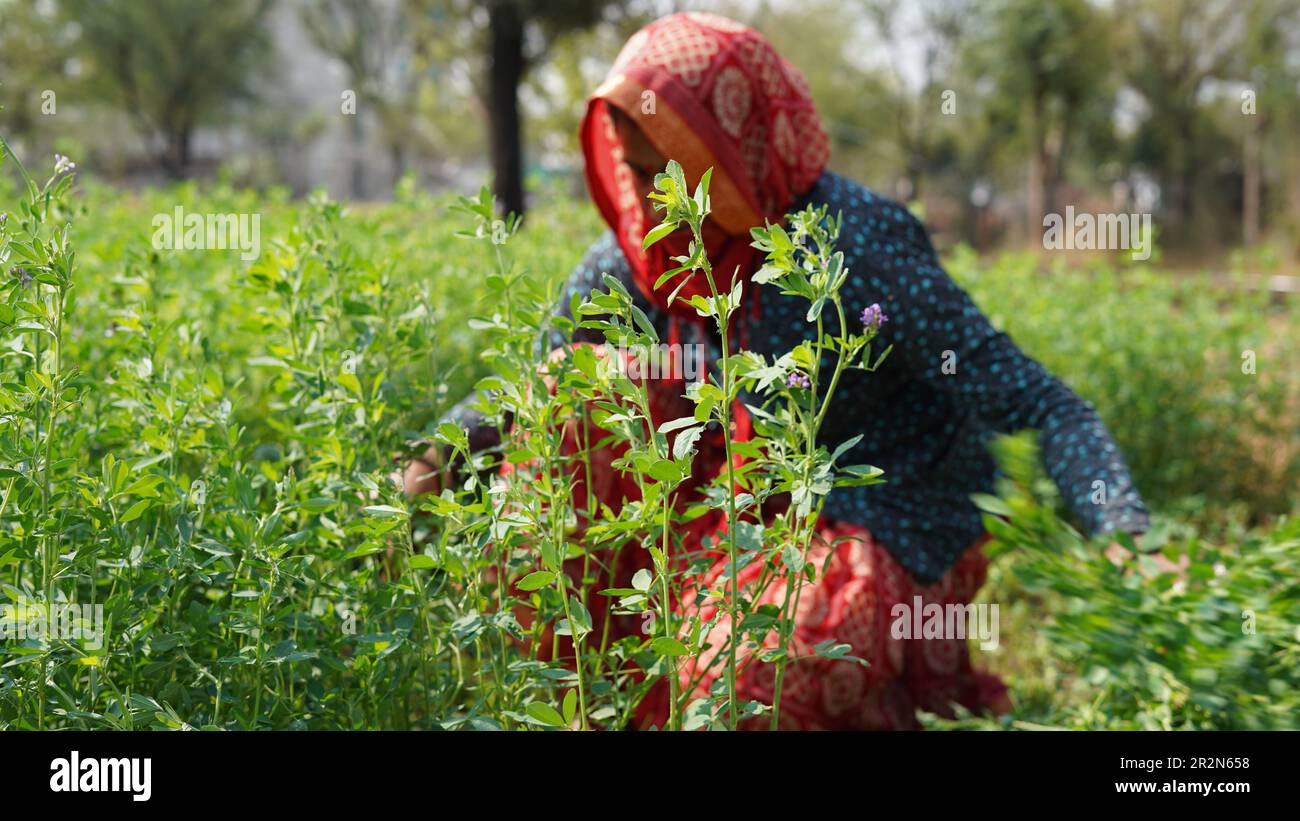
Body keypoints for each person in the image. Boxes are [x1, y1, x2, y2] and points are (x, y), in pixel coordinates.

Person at [406, 11, 1156, 729]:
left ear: (736, 155)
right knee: (579, 391)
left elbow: (1046, 402)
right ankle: (601, 691)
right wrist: (432, 460)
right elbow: (529, 387)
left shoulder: (857, 250)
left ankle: (866, 681)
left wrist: (1123, 533)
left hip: (872, 513)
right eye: (632, 171)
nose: (645, 200)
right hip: (724, 516)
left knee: (744, 693)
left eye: (672, 173)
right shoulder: (639, 255)